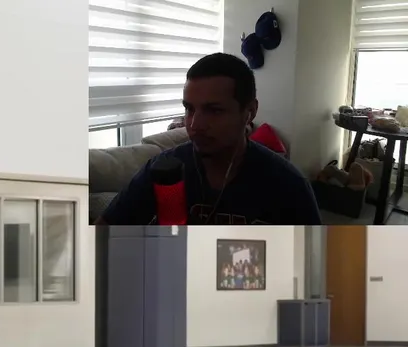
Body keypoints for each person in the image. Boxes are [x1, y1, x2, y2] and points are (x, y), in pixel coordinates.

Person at [98, 52, 322, 225]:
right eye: (189, 109)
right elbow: (104, 231)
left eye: (214, 111)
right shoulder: (161, 170)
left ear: (250, 112)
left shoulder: (288, 185)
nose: (195, 125)